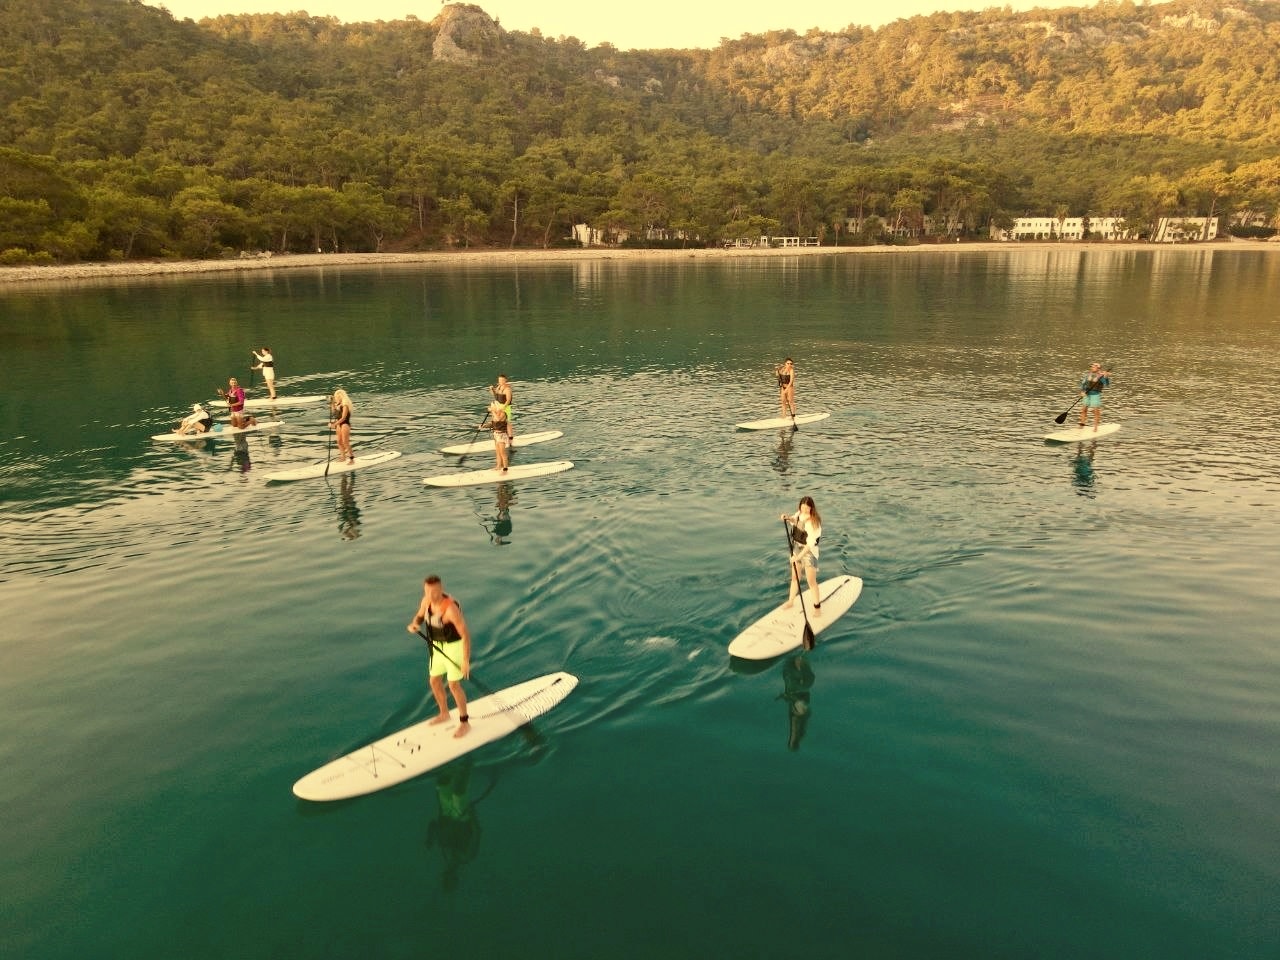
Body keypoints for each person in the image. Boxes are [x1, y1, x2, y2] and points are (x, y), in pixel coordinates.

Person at [407, 575, 472, 739]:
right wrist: (415, 624)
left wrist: (465, 661)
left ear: (441, 589)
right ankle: (444, 713)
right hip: (437, 647)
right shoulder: (426, 601)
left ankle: (465, 722)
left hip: (454, 648)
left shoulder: (450, 610)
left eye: (434, 591)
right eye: (428, 591)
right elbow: (420, 616)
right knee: (434, 681)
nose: (431, 595)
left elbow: (465, 635)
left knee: (453, 685)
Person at [781, 495, 822, 613]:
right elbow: (795, 521)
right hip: (796, 549)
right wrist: (788, 518)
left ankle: (817, 608)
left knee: (811, 581)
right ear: (800, 506)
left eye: (807, 508)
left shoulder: (813, 522)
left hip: (809, 552)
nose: (804, 510)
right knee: (795, 577)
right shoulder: (799, 514)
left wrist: (798, 557)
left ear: (811, 508)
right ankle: (791, 601)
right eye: (802, 507)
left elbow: (810, 544)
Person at [1077, 361, 1112, 431]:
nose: (1092, 368)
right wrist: (1082, 391)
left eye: (1093, 367)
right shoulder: (1088, 375)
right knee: (1084, 409)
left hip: (1095, 395)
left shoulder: (1101, 376)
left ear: (1098, 368)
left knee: (1095, 411)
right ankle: (1082, 424)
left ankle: (1095, 427)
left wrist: (1106, 377)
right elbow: (1082, 384)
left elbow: (1107, 385)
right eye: (1091, 367)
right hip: (1087, 394)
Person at [479, 400, 511, 473]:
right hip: (496, 435)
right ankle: (498, 466)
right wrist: (484, 426)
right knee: (498, 452)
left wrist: (492, 411)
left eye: (492, 406)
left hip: (502, 435)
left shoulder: (503, 413)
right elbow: (492, 423)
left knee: (502, 453)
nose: (490, 408)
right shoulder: (494, 414)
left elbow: (498, 419)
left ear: (496, 407)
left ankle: (505, 470)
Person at [330, 388, 353, 464]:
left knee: (345, 442)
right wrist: (332, 403)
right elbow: (334, 413)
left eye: (336, 397)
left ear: (340, 396)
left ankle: (352, 459)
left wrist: (334, 424)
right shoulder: (338, 405)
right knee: (339, 442)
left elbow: (343, 418)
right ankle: (343, 457)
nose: (336, 398)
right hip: (339, 425)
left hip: (345, 424)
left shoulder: (345, 405)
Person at [488, 374, 513, 438]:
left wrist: (503, 408)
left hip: (506, 406)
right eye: (499, 380)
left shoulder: (507, 389)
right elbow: (495, 395)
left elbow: (508, 400)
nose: (500, 381)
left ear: (505, 380)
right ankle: (498, 432)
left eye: (502, 380)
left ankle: (510, 437)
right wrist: (492, 389)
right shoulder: (499, 387)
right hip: (498, 405)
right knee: (496, 419)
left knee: (507, 422)